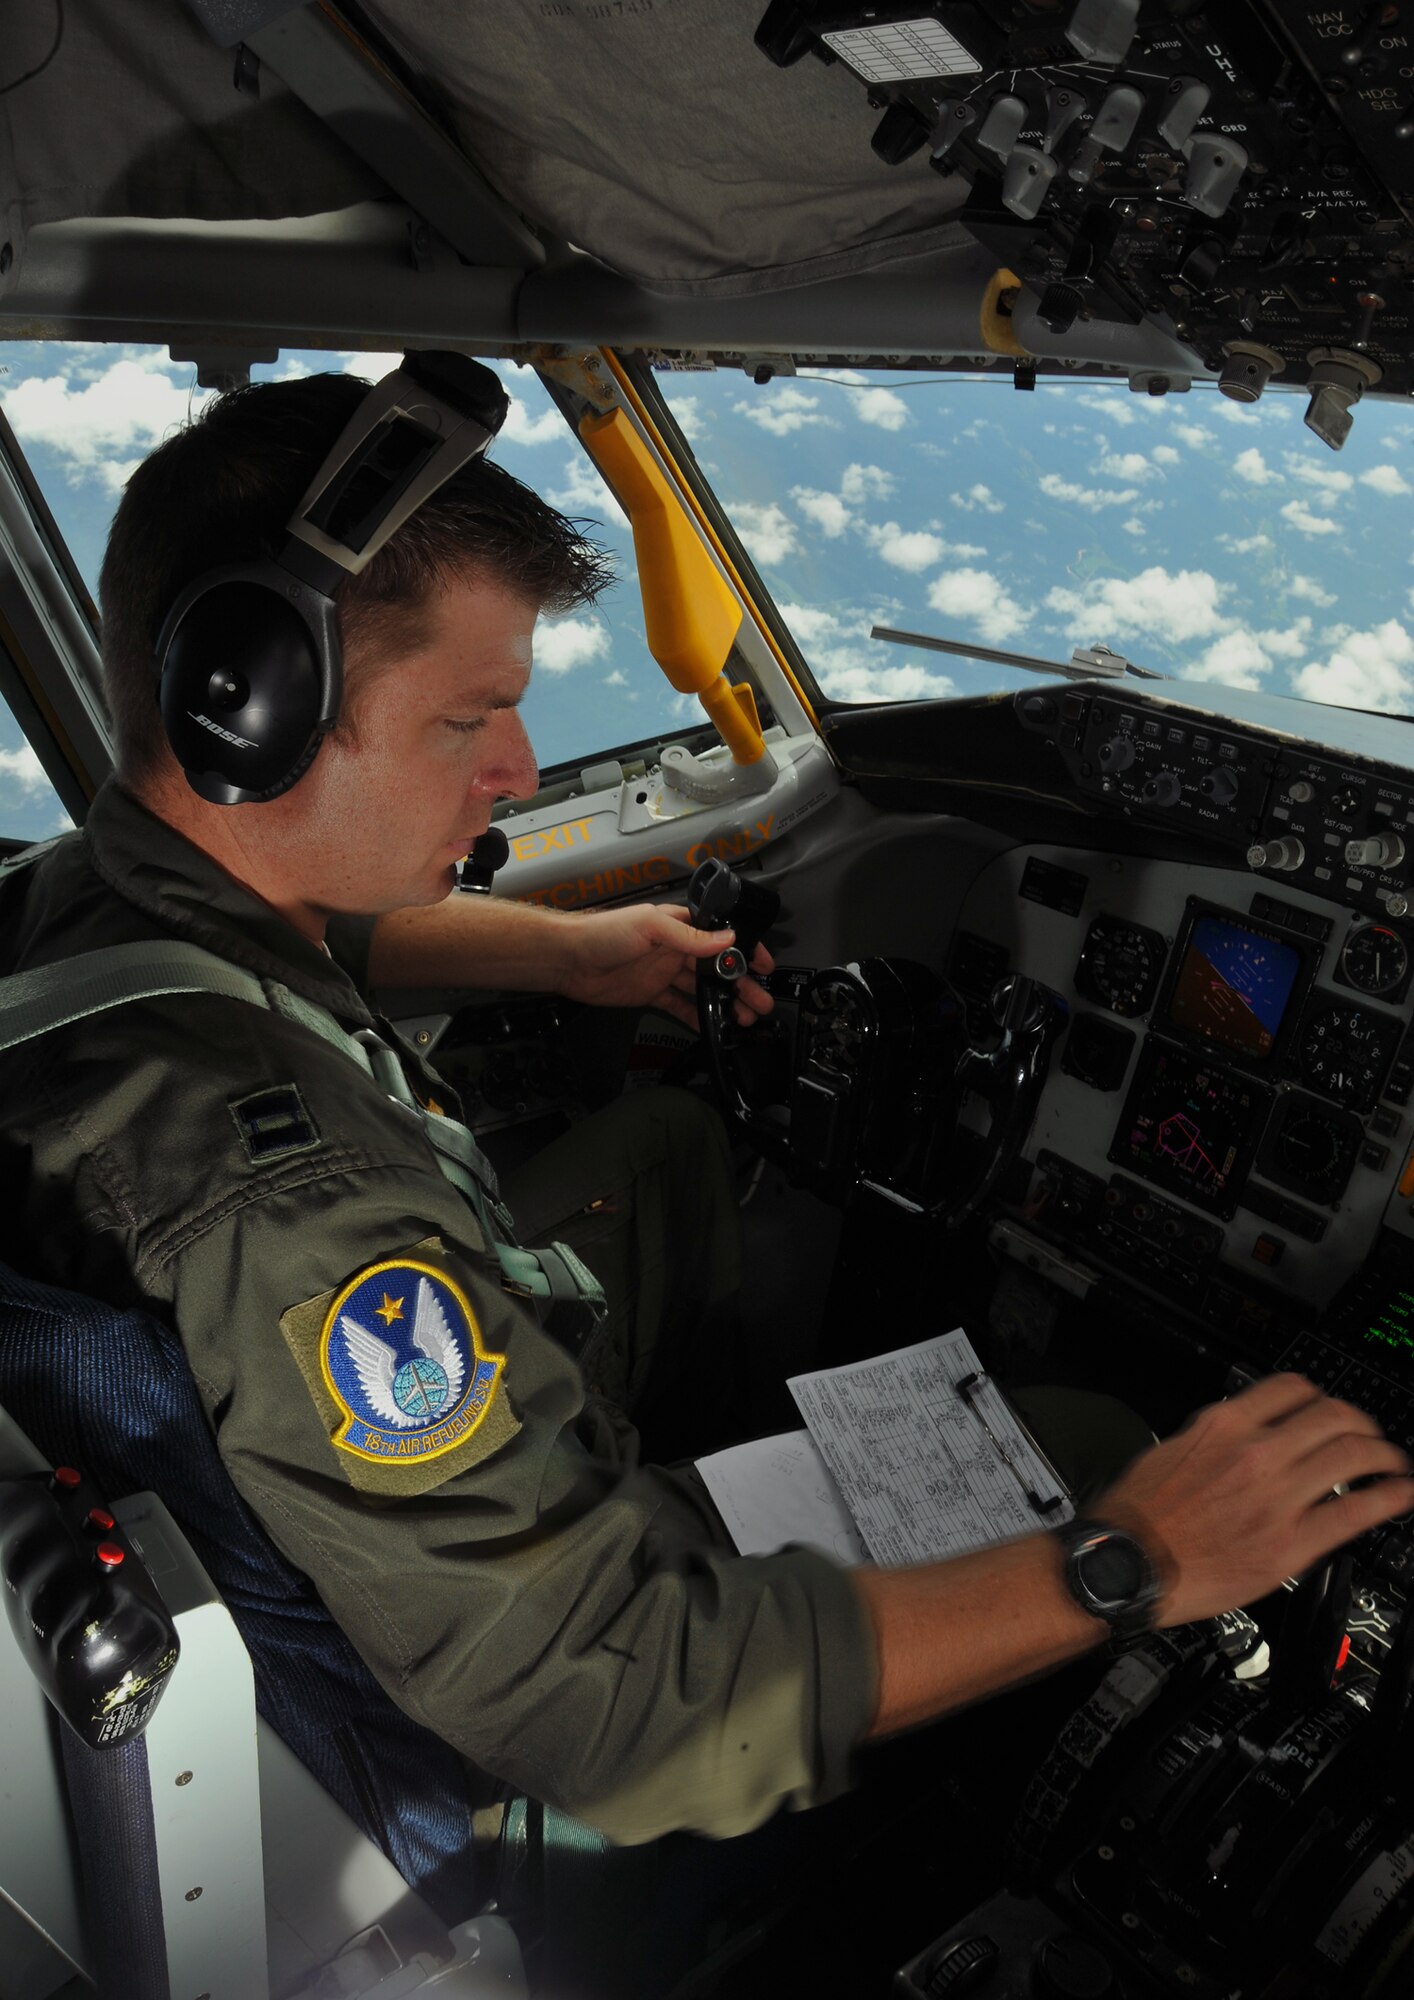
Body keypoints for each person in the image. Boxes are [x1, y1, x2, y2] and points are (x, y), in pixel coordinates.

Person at [1, 369, 1410, 1880]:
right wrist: (1133, 1560)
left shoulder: (78, 897)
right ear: (250, 714)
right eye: (470, 717)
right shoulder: (295, 1211)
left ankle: (725, 1468)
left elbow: (299, 959)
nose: (520, 773)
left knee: (670, 1145)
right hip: (517, 1730)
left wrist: (574, 949)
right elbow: (596, 1708)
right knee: (1087, 1439)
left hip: (333, 1521)